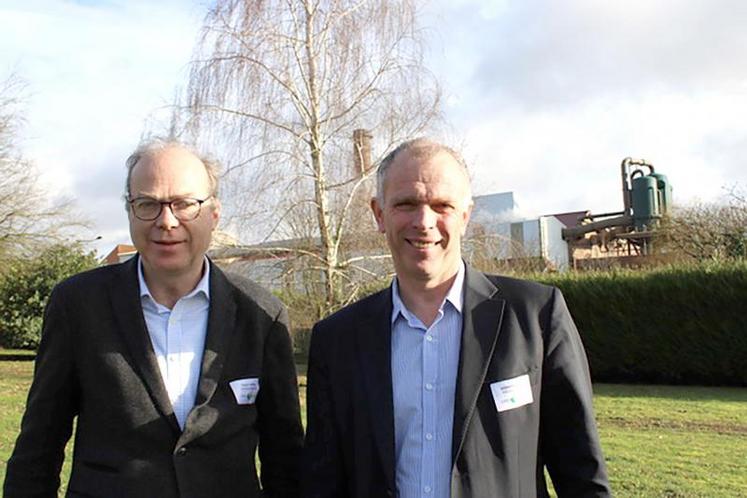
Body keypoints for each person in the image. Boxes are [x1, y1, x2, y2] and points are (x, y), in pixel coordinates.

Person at [302, 138, 611, 498]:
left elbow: (581, 470)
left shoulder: (535, 316)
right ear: (379, 214)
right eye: (406, 204)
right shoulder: (337, 340)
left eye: (442, 205)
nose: (424, 221)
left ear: (465, 215)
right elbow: (322, 481)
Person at [4, 138, 303, 498]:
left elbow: (286, 462)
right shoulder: (78, 306)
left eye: (184, 204)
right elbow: (38, 448)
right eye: (147, 204)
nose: (166, 221)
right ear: (129, 211)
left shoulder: (261, 315)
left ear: (214, 214)